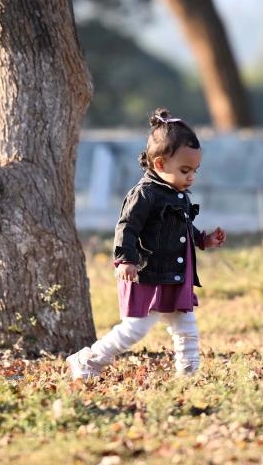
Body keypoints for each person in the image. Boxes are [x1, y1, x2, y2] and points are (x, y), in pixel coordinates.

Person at [66, 108, 226, 380]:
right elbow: (127, 227)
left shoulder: (179, 196)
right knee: (135, 329)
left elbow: (183, 227)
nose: (191, 177)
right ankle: (87, 359)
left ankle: (189, 375)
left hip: (176, 278)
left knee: (186, 328)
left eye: (194, 171)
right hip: (148, 275)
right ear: (161, 164)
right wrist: (125, 259)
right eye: (185, 170)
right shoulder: (144, 194)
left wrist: (203, 239)